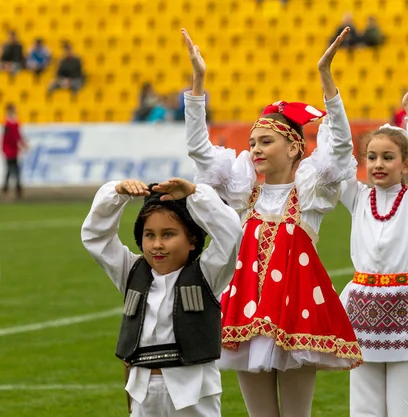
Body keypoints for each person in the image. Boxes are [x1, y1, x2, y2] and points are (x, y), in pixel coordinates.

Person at [181, 27, 363, 417]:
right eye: (252, 143)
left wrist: (327, 79)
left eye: (266, 142)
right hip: (245, 311)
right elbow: (198, 148)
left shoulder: (311, 189)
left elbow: (342, 148)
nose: (256, 150)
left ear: (294, 146)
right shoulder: (244, 191)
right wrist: (198, 84)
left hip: (296, 313)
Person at [81, 177, 242, 417]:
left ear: (192, 240)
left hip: (193, 390)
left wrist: (194, 193)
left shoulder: (208, 274)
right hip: (142, 390)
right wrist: (116, 194)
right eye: (149, 235)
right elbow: (96, 238)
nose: (157, 245)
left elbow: (231, 237)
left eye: (168, 235)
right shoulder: (130, 272)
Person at [335, 67, 408, 416]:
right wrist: (331, 98)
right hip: (361, 304)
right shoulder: (358, 198)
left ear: (406, 164)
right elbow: (336, 161)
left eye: (388, 157)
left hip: (404, 304)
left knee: (407, 402)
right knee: (363, 403)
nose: (378, 164)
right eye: (372, 157)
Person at [2, 103, 27, 199]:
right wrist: (20, 144)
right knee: (14, 169)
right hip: (9, 149)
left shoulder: (14, 122)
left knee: (10, 169)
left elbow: (18, 135)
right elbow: (10, 137)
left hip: (13, 149)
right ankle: (17, 188)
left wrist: (22, 144)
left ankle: (7, 187)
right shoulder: (8, 123)